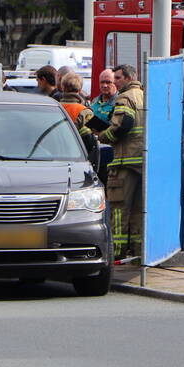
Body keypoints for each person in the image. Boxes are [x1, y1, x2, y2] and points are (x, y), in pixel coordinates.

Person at [96, 64, 145, 259]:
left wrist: (102, 136)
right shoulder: (145, 95)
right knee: (139, 210)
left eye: (117, 78)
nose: (114, 82)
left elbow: (123, 125)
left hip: (125, 162)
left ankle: (117, 253)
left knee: (119, 208)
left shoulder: (125, 98)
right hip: (142, 162)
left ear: (127, 78)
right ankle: (138, 252)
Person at [58, 72, 97, 152]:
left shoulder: (54, 107)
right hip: (75, 154)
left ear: (63, 88)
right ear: (80, 89)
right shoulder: (85, 112)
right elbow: (94, 137)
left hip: (54, 152)